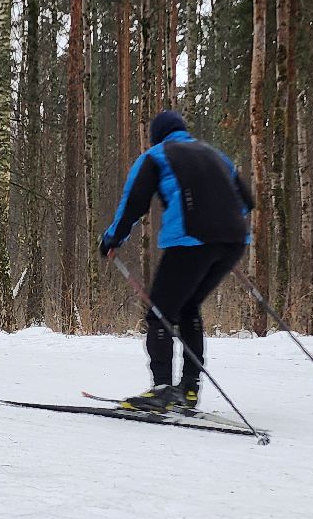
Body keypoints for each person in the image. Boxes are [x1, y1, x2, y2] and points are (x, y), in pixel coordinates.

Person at [98, 110, 255, 413]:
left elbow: (133, 204)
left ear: (157, 135)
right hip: (233, 240)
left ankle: (162, 390)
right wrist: (219, 230)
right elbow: (246, 201)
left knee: (160, 313)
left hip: (190, 241)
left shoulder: (156, 156)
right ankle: (189, 389)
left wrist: (111, 240)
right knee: (186, 308)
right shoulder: (215, 155)